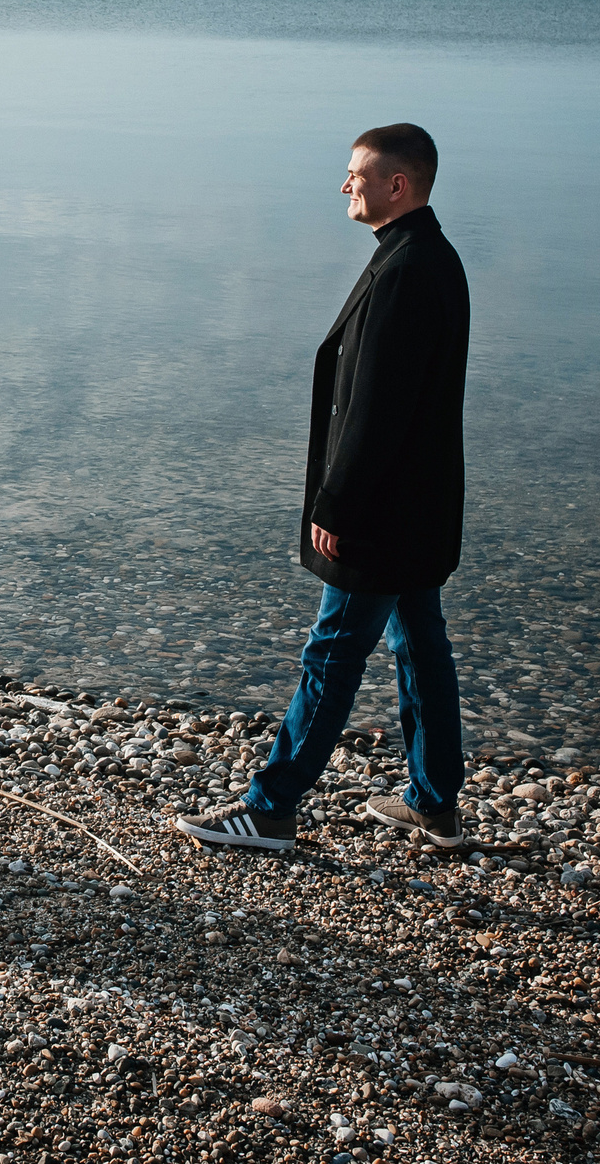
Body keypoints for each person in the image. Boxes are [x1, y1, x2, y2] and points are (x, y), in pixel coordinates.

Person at [176, 123, 471, 852]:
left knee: (333, 650)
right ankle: (434, 802)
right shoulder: (429, 256)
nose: (346, 185)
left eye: (357, 174)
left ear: (397, 184)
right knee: (419, 645)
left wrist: (335, 501)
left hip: (381, 512)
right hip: (418, 506)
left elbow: (379, 406)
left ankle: (271, 806)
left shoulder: (406, 270)